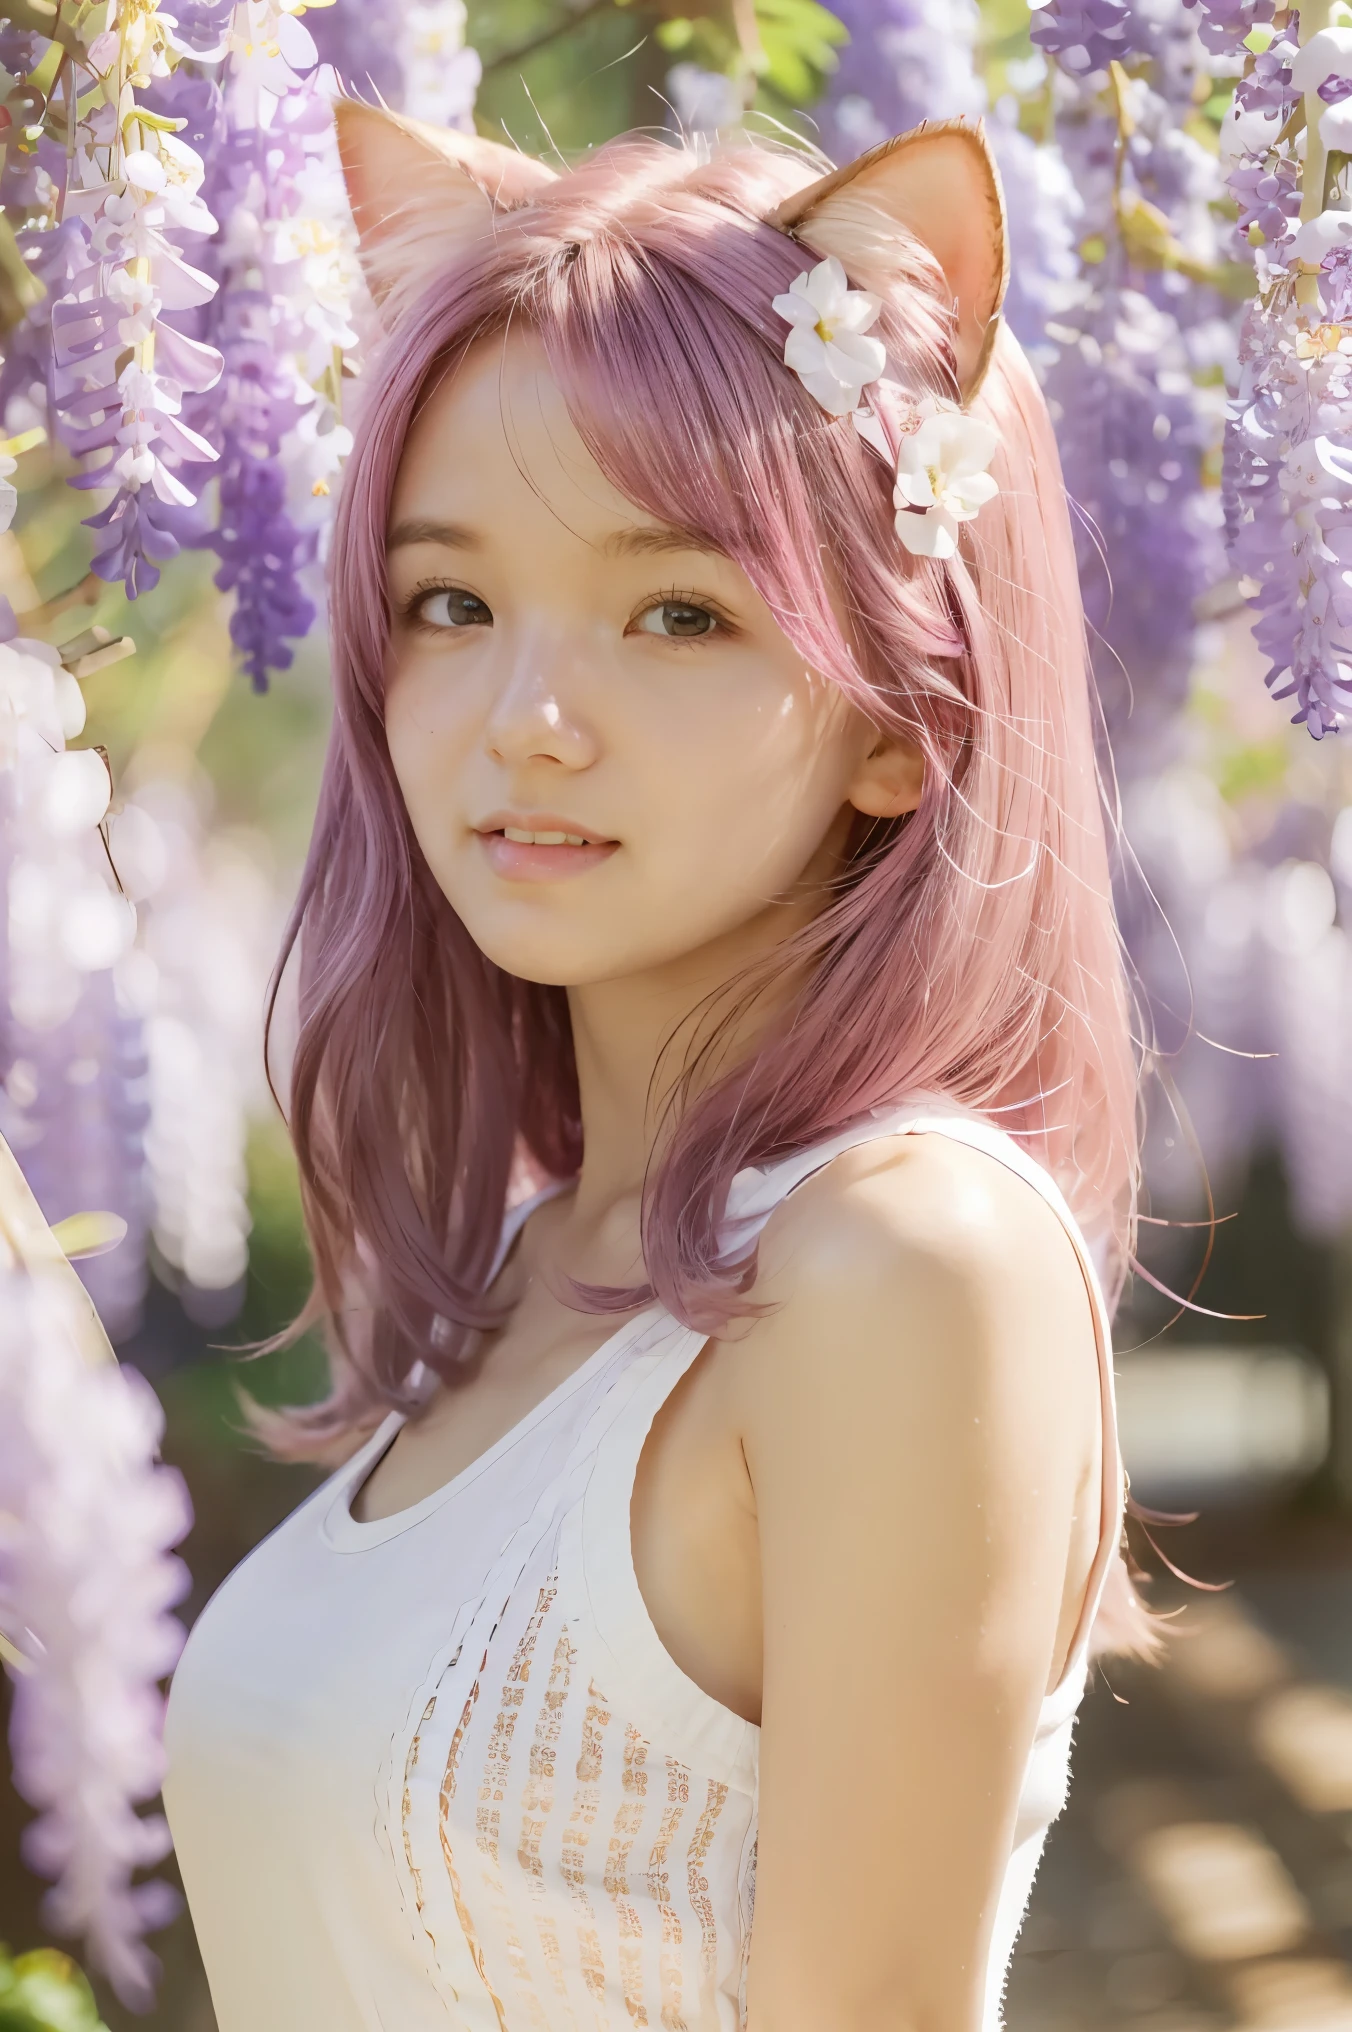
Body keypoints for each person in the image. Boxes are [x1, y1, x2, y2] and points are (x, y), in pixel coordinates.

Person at [162, 101, 1154, 2032]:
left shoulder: (902, 1266)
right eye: (452, 601)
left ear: (901, 714)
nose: (527, 720)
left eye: (678, 612)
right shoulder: (532, 1269)